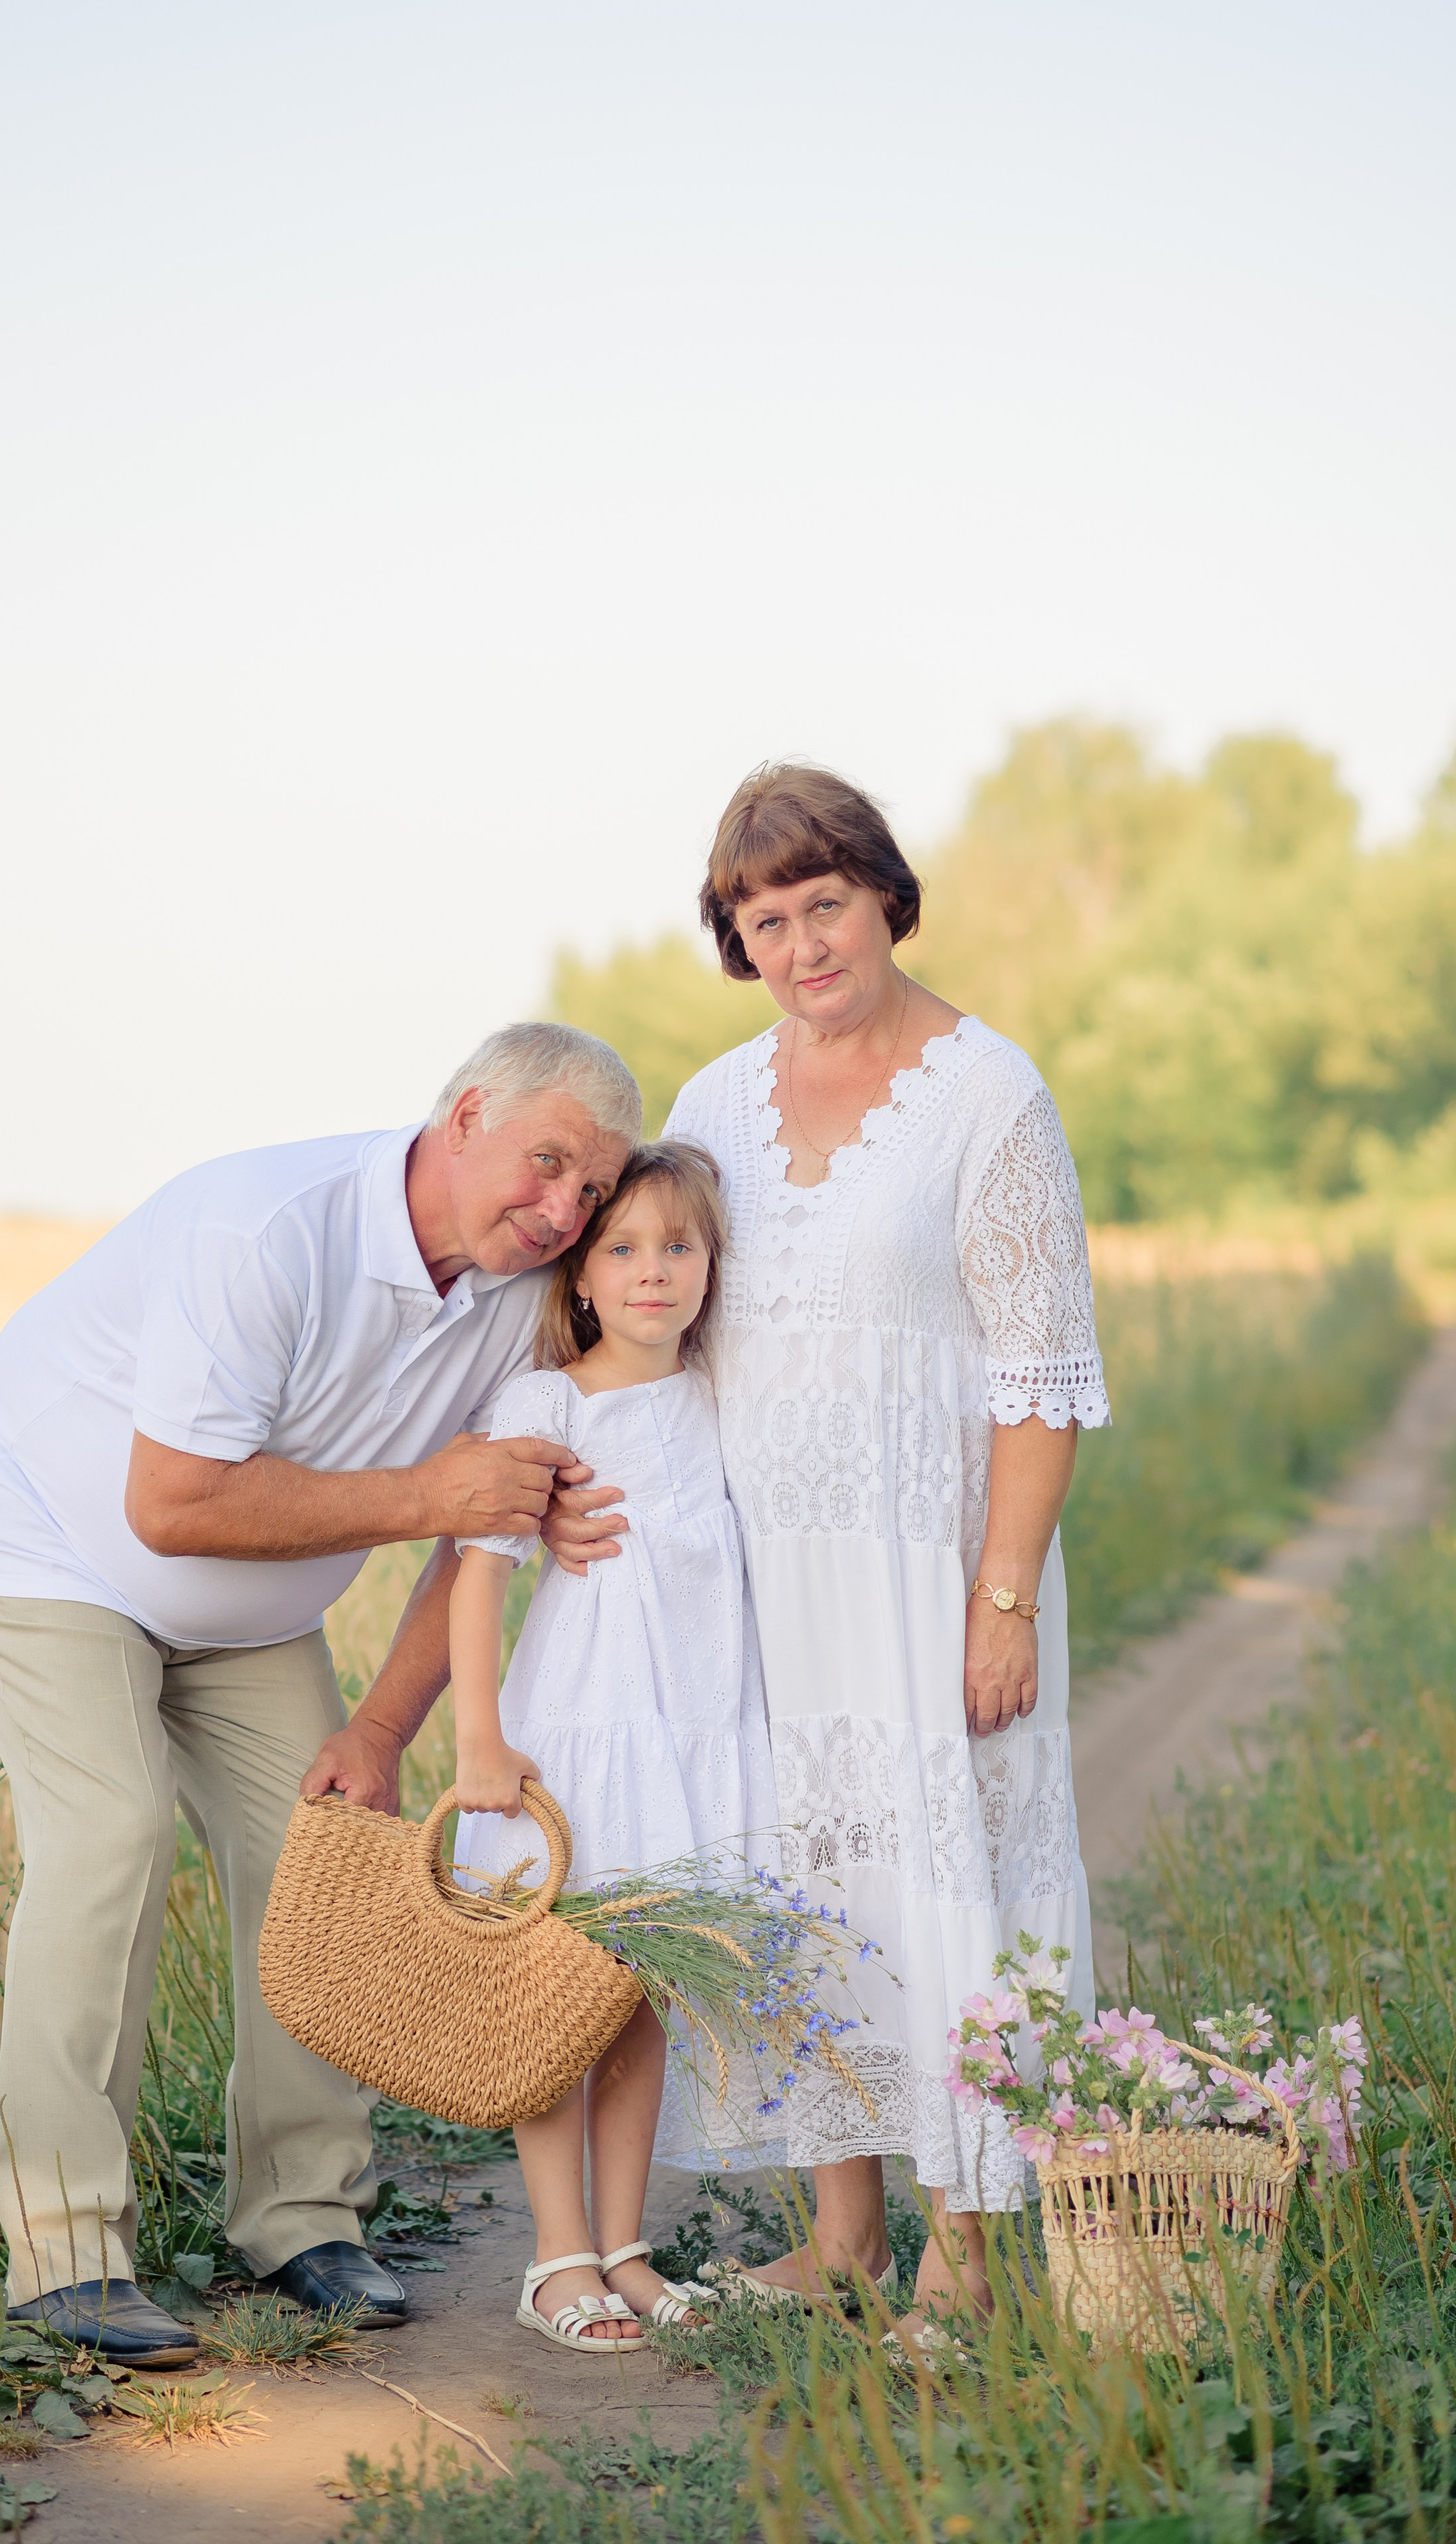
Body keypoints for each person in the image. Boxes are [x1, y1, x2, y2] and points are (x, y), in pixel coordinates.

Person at [0, 1022, 640, 2365]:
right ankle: (64, 2251)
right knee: (112, 1837)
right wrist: (430, 1490)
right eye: (546, 1165)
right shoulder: (264, 1232)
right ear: (468, 1112)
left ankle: (303, 2216)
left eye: (593, 1190)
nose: (563, 1211)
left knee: (328, 1849)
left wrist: (379, 1731)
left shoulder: (520, 1295)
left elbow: (480, 1534)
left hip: (254, 1612)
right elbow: (172, 1501)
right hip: (56, 1545)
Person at [545, 764, 1109, 2325]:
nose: (798, 944)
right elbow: (646, 1312)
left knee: (947, 1891)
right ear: (735, 939)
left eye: (820, 904)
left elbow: (1042, 1372)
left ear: (882, 895)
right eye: (761, 918)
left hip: (930, 1575)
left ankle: (970, 2262)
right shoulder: (714, 1105)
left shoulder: (988, 1092)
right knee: (808, 1896)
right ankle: (842, 2239)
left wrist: (1000, 1596)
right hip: (758, 1584)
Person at [448, 1140, 774, 2352]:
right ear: (581, 1276)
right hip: (581, 1727)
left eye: (679, 1247)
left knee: (642, 1992)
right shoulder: (550, 1404)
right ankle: (556, 2257)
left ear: (711, 1266)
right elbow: (477, 1581)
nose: (653, 1273)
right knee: (561, 1993)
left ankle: (625, 2246)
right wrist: (480, 1739)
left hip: (693, 1727)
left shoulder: (719, 1393)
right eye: (623, 1250)